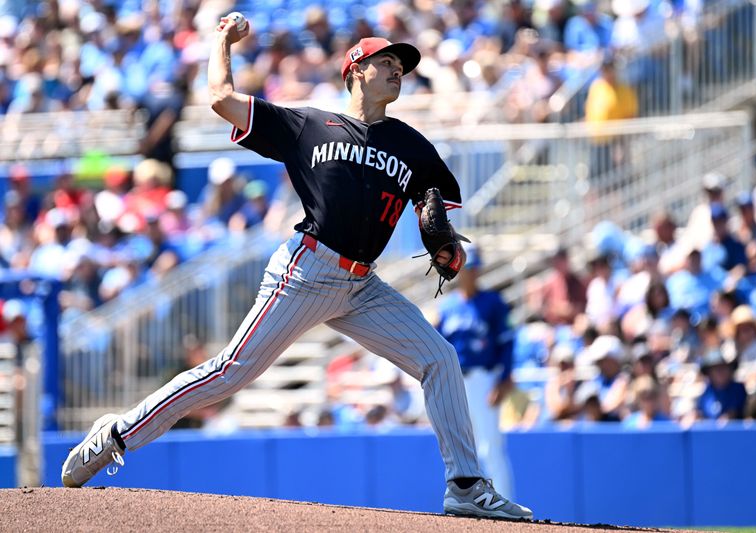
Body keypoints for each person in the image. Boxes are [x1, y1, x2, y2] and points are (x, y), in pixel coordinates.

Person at [61, 22, 531, 521]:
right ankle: (116, 435)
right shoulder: (309, 126)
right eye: (386, 62)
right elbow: (220, 98)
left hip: (362, 286)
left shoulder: (413, 147)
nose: (397, 70)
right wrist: (220, 42)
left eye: (402, 66)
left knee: (440, 358)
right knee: (226, 373)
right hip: (306, 271)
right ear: (355, 69)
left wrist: (444, 247)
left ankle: (464, 485)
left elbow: (435, 212)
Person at [435, 245, 516, 499]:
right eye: (467, 268)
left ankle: (506, 502)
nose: (472, 273)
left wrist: (504, 379)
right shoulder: (448, 307)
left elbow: (507, 344)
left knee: (491, 446)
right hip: (457, 381)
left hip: (484, 379)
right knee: (462, 448)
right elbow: (438, 347)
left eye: (475, 268)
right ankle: (472, 502)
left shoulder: (493, 303)